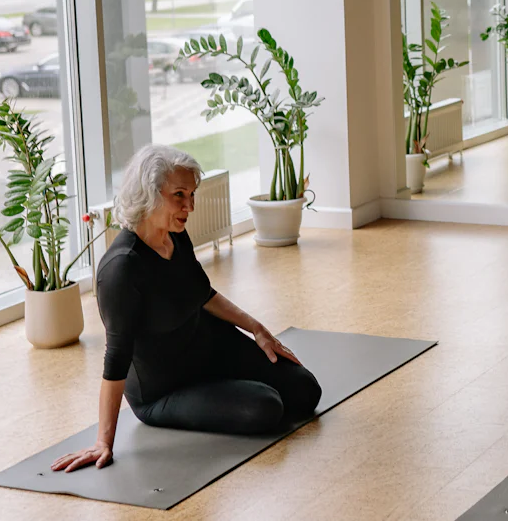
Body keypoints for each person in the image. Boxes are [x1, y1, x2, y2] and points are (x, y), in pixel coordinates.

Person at [51, 145, 322, 473]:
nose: (189, 206)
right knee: (266, 408)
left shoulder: (175, 236)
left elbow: (204, 294)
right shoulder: (122, 269)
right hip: (165, 389)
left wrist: (258, 330)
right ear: (148, 194)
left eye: (192, 194)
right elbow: (116, 358)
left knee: (305, 391)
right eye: (179, 194)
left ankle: (228, 384)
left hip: (209, 351)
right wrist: (103, 442)